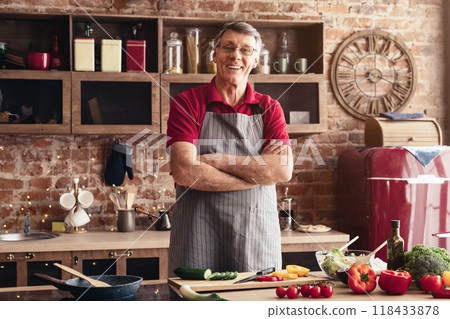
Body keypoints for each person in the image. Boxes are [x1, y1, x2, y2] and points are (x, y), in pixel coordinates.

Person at [166, 21, 293, 275]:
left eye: (246, 50)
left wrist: (218, 160)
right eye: (229, 47)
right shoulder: (188, 102)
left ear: (255, 60)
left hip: (255, 239)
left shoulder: (269, 108)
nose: (236, 55)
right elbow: (185, 172)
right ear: (215, 54)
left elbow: (281, 171)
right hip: (197, 238)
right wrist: (257, 176)